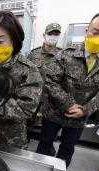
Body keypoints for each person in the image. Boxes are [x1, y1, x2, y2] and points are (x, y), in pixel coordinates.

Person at [36, 11, 99, 168]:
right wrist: (67, 104)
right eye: (95, 32)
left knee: (67, 150)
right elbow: (49, 81)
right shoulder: (66, 55)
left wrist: (85, 110)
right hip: (53, 113)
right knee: (44, 147)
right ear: (87, 32)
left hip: (80, 118)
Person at [0, 11, 43, 149]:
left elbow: (27, 109)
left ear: (13, 40)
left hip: (11, 140)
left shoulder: (27, 70)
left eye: (1, 41)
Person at [27, 22, 62, 156]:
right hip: (34, 94)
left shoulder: (62, 55)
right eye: (50, 34)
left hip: (52, 96)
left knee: (50, 124)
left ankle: (49, 143)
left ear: (59, 36)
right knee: (28, 119)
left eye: (56, 34)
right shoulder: (34, 53)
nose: (52, 36)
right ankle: (26, 138)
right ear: (44, 35)